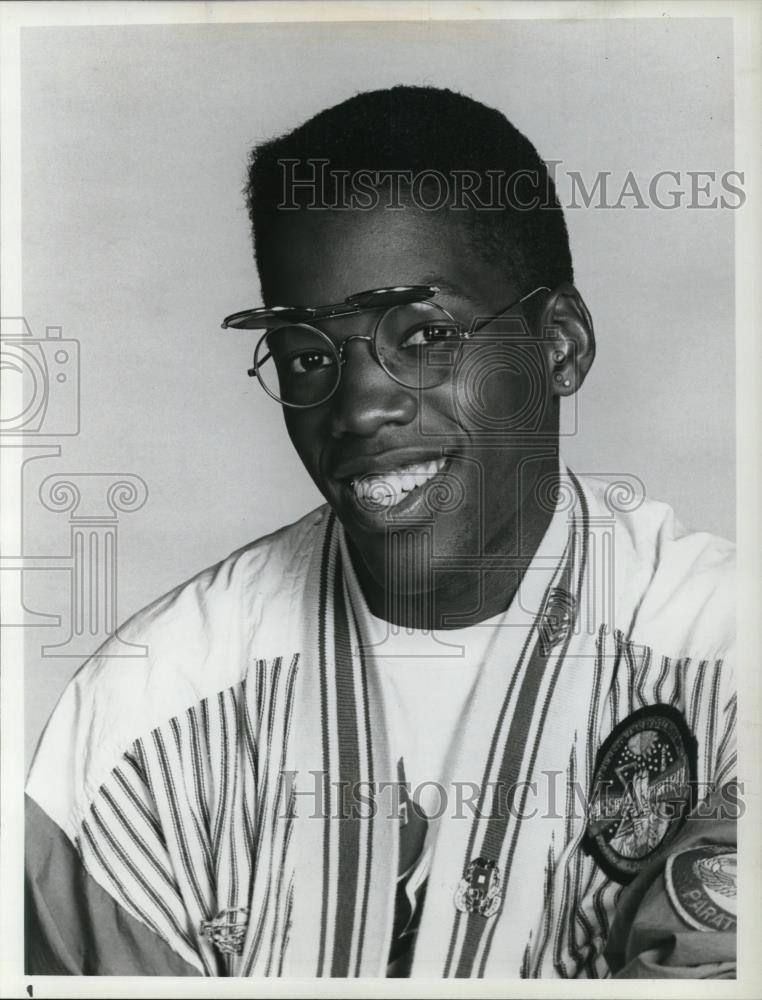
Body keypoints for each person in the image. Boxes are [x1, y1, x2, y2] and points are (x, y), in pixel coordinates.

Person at [25, 86, 737, 979]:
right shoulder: (143, 725)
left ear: (558, 345)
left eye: (426, 334)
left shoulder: (726, 658)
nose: (358, 406)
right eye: (307, 356)